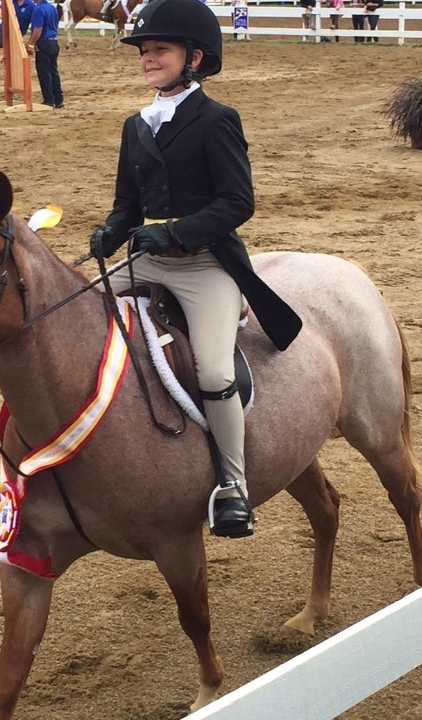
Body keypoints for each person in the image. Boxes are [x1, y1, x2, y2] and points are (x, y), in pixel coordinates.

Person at [88, 0, 302, 539]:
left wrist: (178, 231)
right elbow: (126, 204)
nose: (147, 58)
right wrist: (112, 231)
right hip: (146, 259)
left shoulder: (216, 120)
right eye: (144, 50)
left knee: (213, 370)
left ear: (194, 56)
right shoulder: (136, 125)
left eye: (159, 49)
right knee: (72, 317)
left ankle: (234, 486)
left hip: (205, 263)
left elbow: (237, 203)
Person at [25, 0, 64, 109]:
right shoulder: (52, 8)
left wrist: (31, 43)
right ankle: (58, 99)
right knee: (53, 71)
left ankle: (49, 99)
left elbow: (38, 28)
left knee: (44, 72)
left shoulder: (38, 9)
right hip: (54, 41)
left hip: (43, 42)